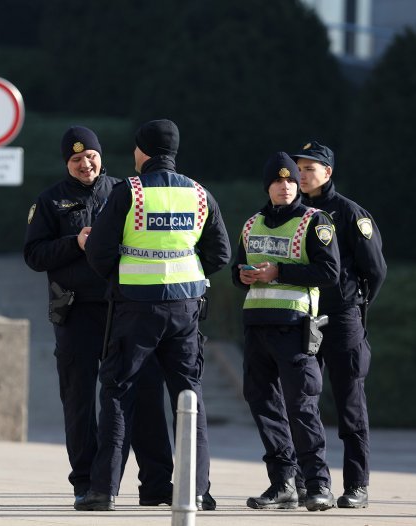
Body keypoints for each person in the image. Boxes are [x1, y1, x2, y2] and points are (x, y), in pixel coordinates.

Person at [77, 119, 231, 511]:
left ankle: (103, 491)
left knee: (117, 393)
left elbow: (99, 251)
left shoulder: (129, 192)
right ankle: (196, 490)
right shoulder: (199, 194)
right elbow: (220, 255)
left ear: (142, 151)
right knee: (189, 396)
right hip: (186, 310)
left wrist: (122, 276)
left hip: (135, 309)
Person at [23, 125, 175, 509]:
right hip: (73, 312)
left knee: (141, 393)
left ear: (101, 156)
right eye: (76, 159)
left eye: (90, 156)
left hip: (123, 308)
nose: (85, 164)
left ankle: (155, 482)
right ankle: (86, 481)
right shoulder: (50, 202)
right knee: (78, 399)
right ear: (67, 164)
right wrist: (75, 242)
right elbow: (34, 255)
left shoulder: (125, 192)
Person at [232, 152, 340, 512]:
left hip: (295, 327)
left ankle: (318, 484)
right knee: (263, 405)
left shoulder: (315, 221)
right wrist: (244, 276)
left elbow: (329, 272)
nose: (285, 186)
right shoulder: (251, 224)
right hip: (257, 327)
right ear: (268, 186)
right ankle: (283, 482)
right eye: (278, 181)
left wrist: (279, 272)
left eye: (291, 180)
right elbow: (236, 271)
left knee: (301, 405)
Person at [292, 140, 387, 508]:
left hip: (342, 316)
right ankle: (309, 483)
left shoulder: (349, 213)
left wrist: (356, 305)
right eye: (299, 168)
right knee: (302, 401)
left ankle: (356, 485)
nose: (302, 175)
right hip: (303, 316)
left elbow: (374, 270)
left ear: (327, 173)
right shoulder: (293, 212)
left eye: (309, 168)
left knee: (350, 404)